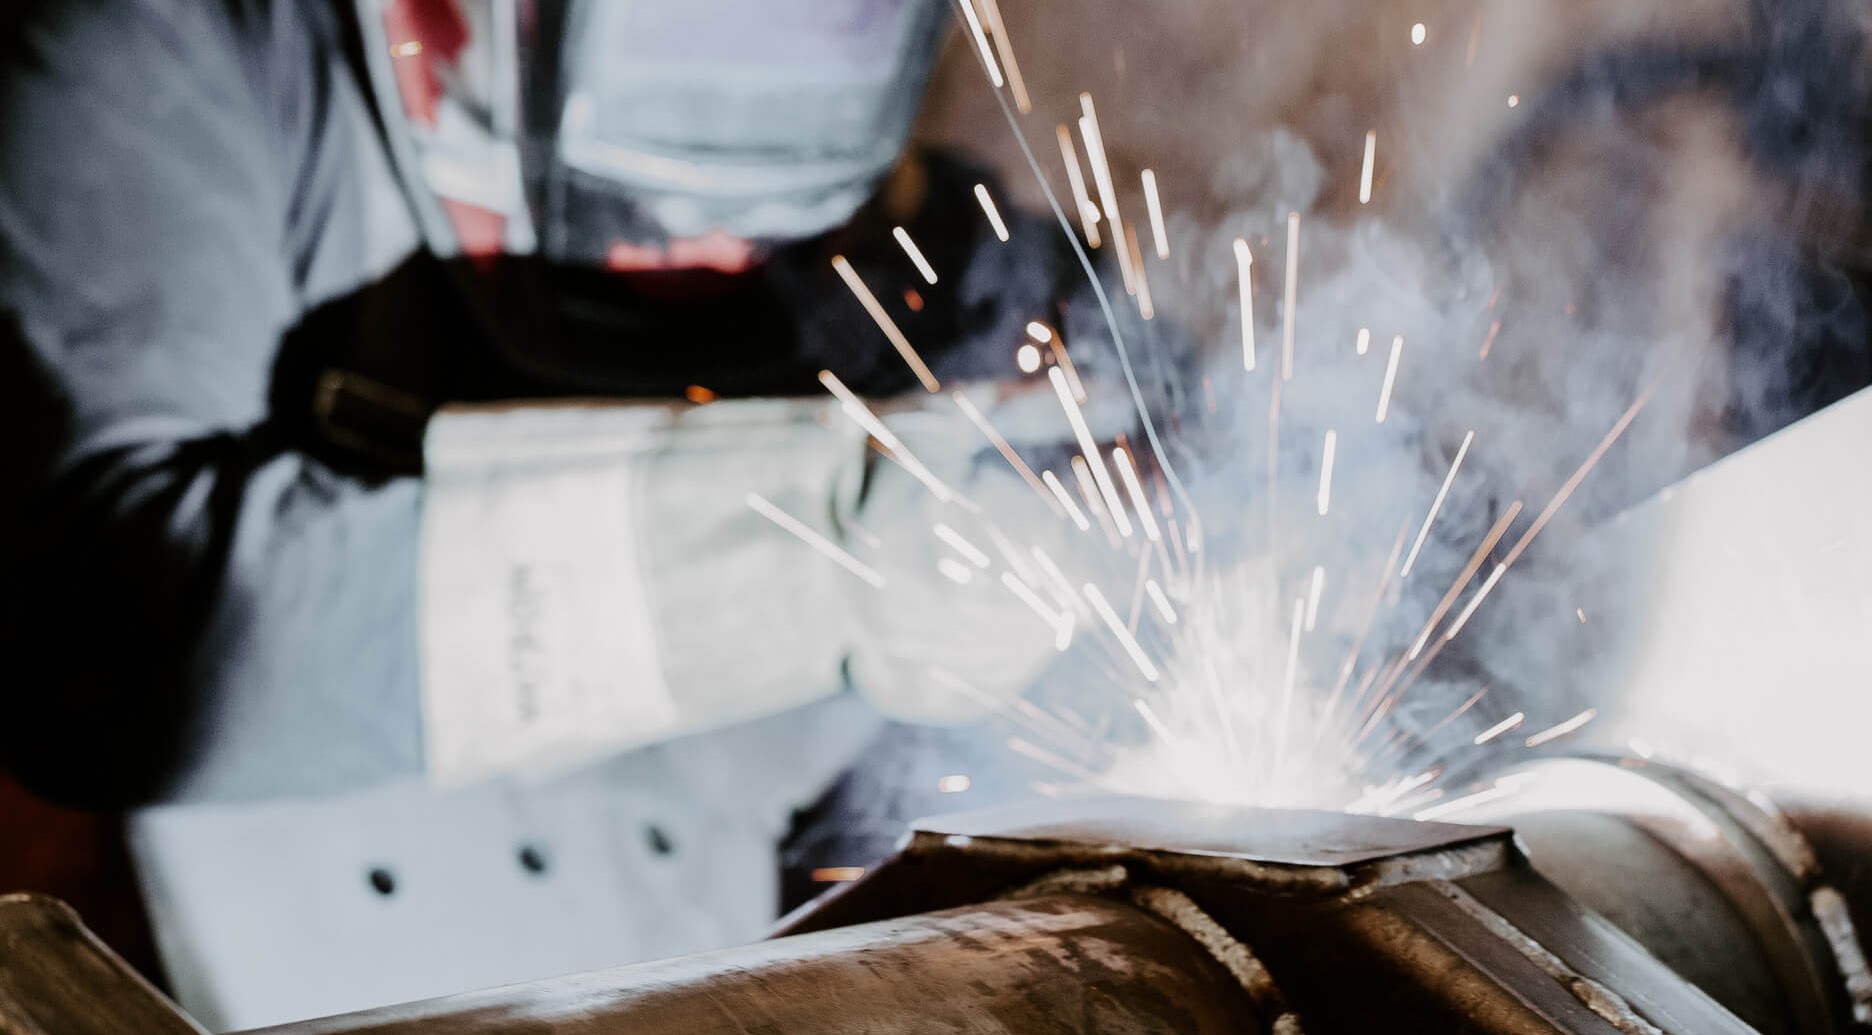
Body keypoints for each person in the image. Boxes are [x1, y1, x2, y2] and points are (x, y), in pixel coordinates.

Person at [0, 0, 1134, 1026]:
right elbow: (111, 643)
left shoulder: (932, 257)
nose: (709, 249)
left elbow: (1154, 421)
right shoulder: (172, 58)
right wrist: (816, 557)